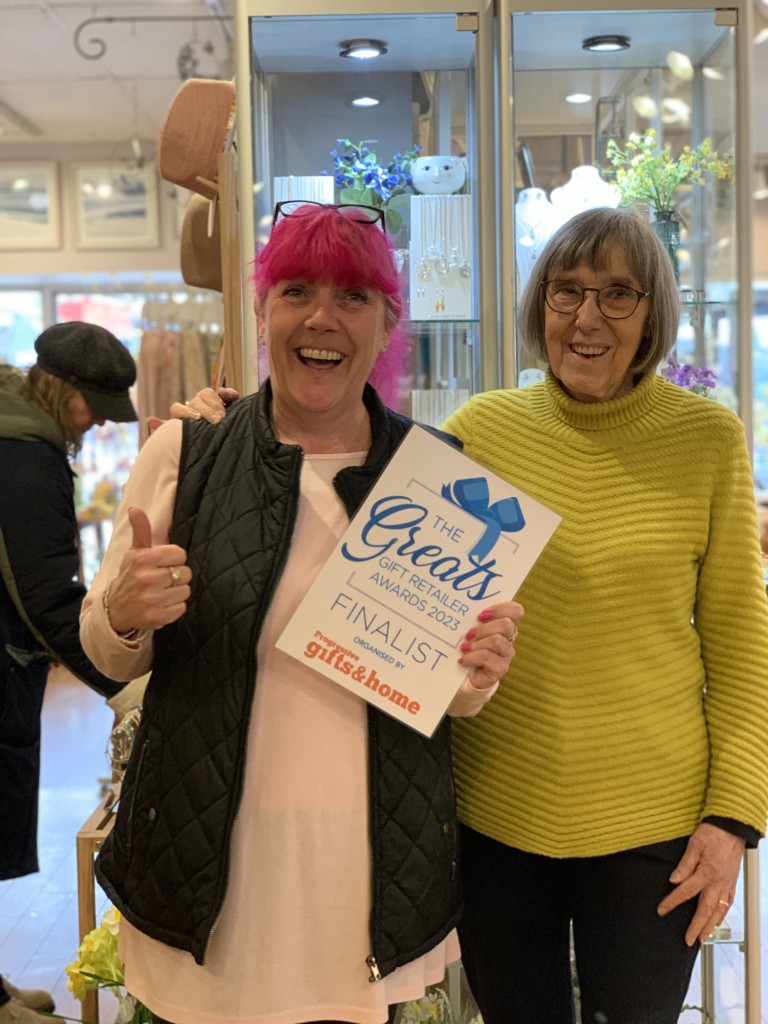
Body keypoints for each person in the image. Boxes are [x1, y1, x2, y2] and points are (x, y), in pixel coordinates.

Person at [79, 200, 523, 1024]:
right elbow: (108, 653)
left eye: (353, 296)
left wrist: (479, 672)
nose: (322, 317)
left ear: (389, 321)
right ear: (262, 309)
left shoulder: (437, 482)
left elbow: (446, 694)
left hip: (365, 875)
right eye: (296, 290)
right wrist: (125, 612)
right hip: (214, 867)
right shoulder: (184, 455)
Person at [441, 206, 768, 1024]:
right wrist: (242, 424)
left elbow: (740, 643)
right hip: (494, 812)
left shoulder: (707, 440)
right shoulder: (480, 432)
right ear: (539, 307)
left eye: (617, 294)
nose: (586, 318)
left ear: (653, 311)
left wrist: (733, 819)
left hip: (653, 822)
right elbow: (369, 533)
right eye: (566, 292)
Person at [0, 322, 139, 1024]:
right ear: (62, 392)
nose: (94, 423)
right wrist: (122, 682)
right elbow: (46, 596)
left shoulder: (19, 437)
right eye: (91, 405)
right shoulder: (26, 458)